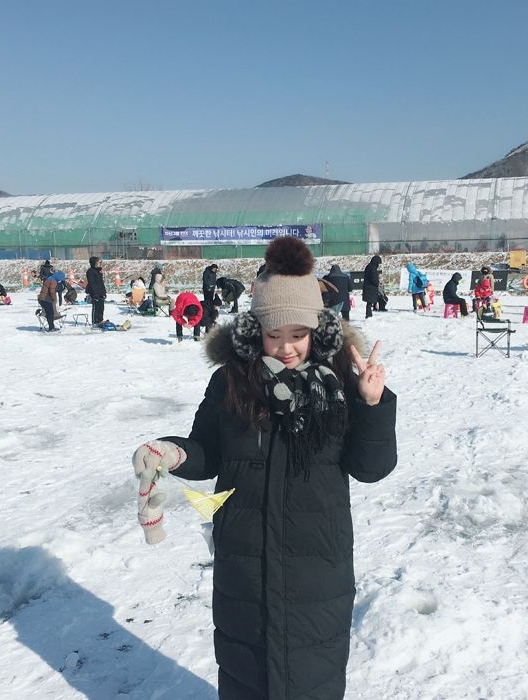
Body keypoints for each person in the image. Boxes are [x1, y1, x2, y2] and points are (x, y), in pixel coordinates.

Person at [131, 236, 397, 700]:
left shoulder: (340, 384)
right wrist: (171, 452)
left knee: (312, 680)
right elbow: (208, 451)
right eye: (275, 334)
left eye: (299, 334)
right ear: (257, 331)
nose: (288, 347)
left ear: (318, 330)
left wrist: (372, 404)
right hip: (243, 564)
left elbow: (371, 468)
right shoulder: (231, 381)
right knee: (244, 677)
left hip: (317, 568)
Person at [86, 256, 107, 326]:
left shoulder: (98, 271)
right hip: (95, 293)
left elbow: (101, 283)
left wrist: (104, 292)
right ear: (94, 263)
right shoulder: (90, 271)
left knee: (101, 307)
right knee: (96, 308)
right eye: (98, 262)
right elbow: (92, 284)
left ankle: (100, 320)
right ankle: (95, 321)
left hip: (100, 292)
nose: (100, 264)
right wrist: (95, 293)